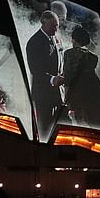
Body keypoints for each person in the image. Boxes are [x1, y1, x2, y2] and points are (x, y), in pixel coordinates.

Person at [26, 10, 65, 141]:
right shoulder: (34, 42)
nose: (55, 29)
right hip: (43, 93)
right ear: (43, 23)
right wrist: (52, 79)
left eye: (57, 26)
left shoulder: (55, 39)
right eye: (53, 26)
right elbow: (35, 69)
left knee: (60, 124)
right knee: (45, 128)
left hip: (57, 92)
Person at [62, 26, 100, 129]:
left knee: (81, 125)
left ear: (73, 40)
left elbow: (67, 78)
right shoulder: (93, 57)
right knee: (96, 123)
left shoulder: (68, 54)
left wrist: (66, 99)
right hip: (93, 91)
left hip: (77, 93)